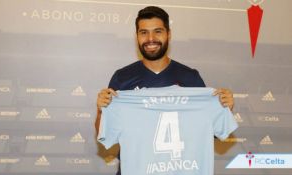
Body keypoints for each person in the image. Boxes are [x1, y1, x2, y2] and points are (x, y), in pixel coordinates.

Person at [95, 6, 234, 175]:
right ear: (137, 36)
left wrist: (224, 108)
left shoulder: (191, 78)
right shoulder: (122, 78)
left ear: (169, 33)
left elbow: (210, 133)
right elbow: (104, 133)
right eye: (144, 32)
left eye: (158, 31)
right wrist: (101, 111)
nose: (150, 38)